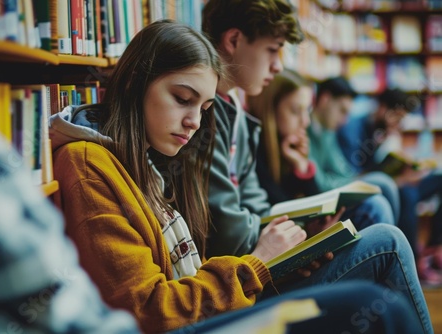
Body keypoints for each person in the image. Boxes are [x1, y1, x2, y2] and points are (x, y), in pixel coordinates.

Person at [49, 19, 432, 333]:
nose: (194, 122)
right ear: (134, 84)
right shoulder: (88, 164)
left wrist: (283, 260)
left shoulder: (145, 158)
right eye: (182, 99)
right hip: (192, 320)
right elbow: (149, 311)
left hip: (216, 301)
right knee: (381, 261)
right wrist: (258, 263)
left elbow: (193, 267)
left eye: (204, 106)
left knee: (384, 241)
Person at [199, 0, 432, 332]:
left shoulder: (235, 110)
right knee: (387, 239)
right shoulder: (203, 115)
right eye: (273, 50)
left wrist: (302, 234)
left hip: (260, 256)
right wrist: (300, 237)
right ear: (234, 40)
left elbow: (257, 204)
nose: (278, 66)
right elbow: (229, 232)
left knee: (381, 209)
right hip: (246, 274)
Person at [246, 68, 394, 231]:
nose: (305, 121)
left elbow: (340, 175)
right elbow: (278, 209)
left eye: (307, 111)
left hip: (302, 231)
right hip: (288, 240)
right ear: (271, 111)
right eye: (296, 111)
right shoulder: (255, 149)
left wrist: (302, 167)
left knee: (382, 200)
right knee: (377, 206)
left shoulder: (293, 144)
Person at [337, 87, 442, 285]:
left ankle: (434, 248)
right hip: (382, 188)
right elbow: (353, 178)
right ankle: (414, 263)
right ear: (384, 108)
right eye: (398, 118)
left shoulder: (383, 130)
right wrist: (400, 180)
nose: (399, 125)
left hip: (394, 183)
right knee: (407, 193)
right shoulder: (353, 129)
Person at [307, 77, 401, 224]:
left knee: (385, 187)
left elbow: (342, 170)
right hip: (320, 201)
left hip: (335, 189)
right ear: (325, 99)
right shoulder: (305, 132)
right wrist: (353, 182)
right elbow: (321, 184)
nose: (344, 121)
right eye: (342, 111)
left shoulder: (327, 132)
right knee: (382, 189)